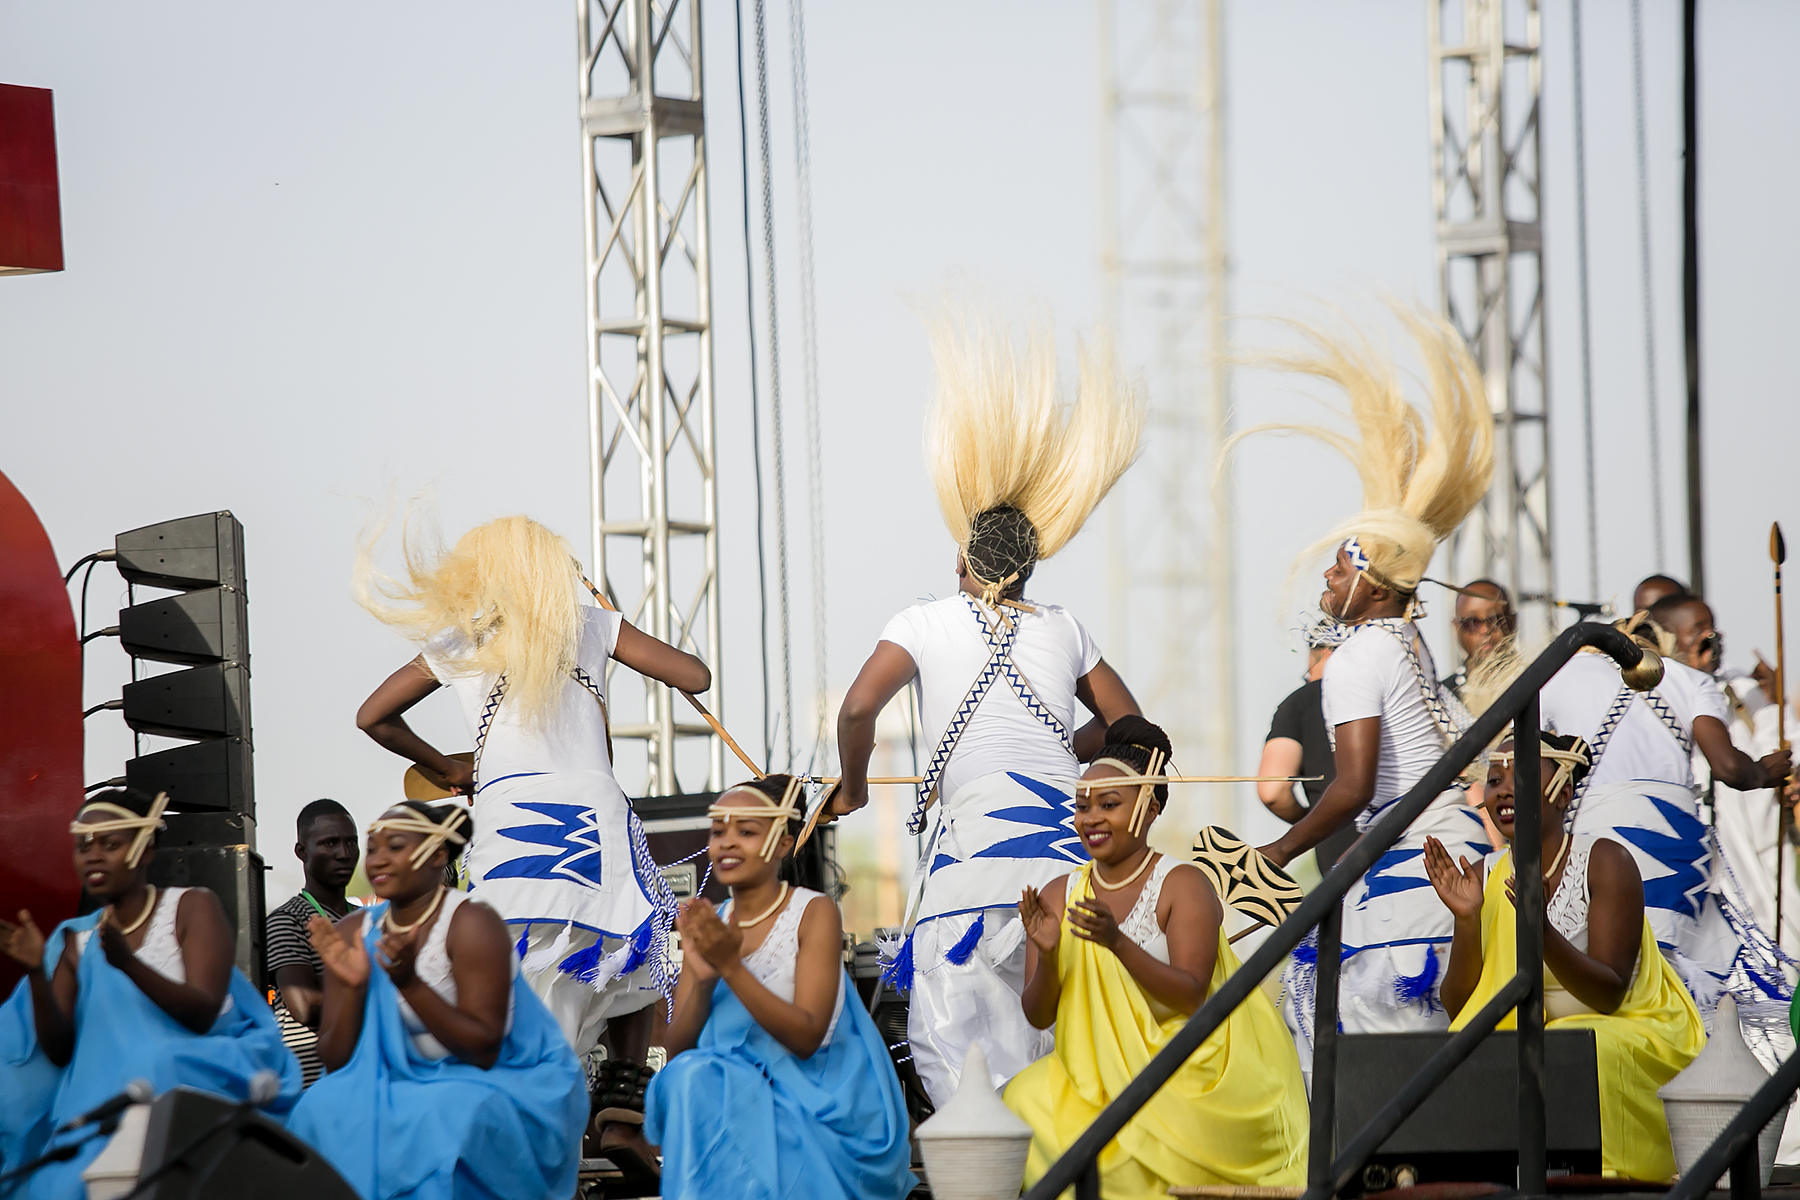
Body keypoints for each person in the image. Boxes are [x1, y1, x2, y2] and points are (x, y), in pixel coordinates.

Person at [833, 310, 1145, 1105]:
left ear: (959, 558)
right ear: (1033, 570)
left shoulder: (924, 620)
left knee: (962, 1069)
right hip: (1070, 871)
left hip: (973, 873)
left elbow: (858, 707)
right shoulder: (1064, 628)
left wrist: (857, 785)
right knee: (1070, 1069)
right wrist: (1069, 748)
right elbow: (1131, 731)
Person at [1222, 308, 1496, 1057]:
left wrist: (1273, 857)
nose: (1326, 575)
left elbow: (1350, 787)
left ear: (1374, 587)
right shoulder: (1403, 641)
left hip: (1423, 863)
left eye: (1340, 567)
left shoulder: (1355, 657)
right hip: (1449, 854)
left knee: (1382, 1038)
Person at [353, 515, 711, 1077]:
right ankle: (623, 1098)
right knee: (626, 947)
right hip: (593, 814)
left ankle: (531, 1079)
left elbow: (372, 716)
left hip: (511, 819)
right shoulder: (589, 625)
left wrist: (445, 765)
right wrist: (602, 614)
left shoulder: (461, 641)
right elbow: (695, 676)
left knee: (515, 958)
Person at [1005, 718, 1309, 1198]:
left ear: (1149, 809)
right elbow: (1039, 1015)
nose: (1090, 819)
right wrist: (1046, 954)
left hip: (1182, 1066)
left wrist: (1117, 943)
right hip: (1090, 1075)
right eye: (1082, 806)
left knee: (1124, 1137)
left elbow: (1192, 997)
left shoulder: (1183, 884)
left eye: (1109, 805)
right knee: (1022, 1099)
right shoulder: (1059, 892)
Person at [1425, 732, 1704, 1182]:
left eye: (1521, 777)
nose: (1504, 790)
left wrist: (1542, 934)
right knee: (1467, 1046)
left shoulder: (1604, 859)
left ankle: (1597, 1176)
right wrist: (1468, 919)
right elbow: (1461, 1007)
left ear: (1564, 793)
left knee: (1572, 1044)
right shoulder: (1485, 874)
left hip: (1628, 1029)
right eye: (1495, 779)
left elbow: (1608, 994)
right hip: (1541, 1037)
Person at [0, 788, 300, 1198]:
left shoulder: (193, 906)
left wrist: (130, 965)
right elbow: (59, 1051)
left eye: (109, 844)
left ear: (143, 850)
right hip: (102, 1100)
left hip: (187, 1079)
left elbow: (204, 1012)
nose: (93, 856)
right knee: (59, 1186)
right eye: (83, 845)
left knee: (162, 1071)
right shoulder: (76, 940)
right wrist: (37, 971)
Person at [289, 801, 588, 1200]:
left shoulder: (471, 922)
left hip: (502, 1078)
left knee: (443, 1113)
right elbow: (335, 1058)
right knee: (317, 1106)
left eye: (395, 847)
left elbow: (483, 1049)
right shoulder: (351, 932)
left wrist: (409, 982)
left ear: (438, 855)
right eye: (374, 847)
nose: (378, 860)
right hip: (399, 1080)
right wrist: (356, 988)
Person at [646, 778, 915, 1200]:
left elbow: (807, 1038)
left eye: (747, 832)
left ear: (784, 844)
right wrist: (702, 978)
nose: (728, 844)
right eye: (719, 833)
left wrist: (732, 966)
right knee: (686, 1077)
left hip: (814, 1100)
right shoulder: (712, 919)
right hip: (732, 1094)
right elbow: (680, 1051)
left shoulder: (814, 911)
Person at [1537, 602, 1791, 1018]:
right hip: (1675, 848)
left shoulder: (1562, 673)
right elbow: (1729, 768)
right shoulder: (1689, 679)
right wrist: (1764, 770)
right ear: (1661, 651)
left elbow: (1517, 755)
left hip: (1596, 844)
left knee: (1600, 976)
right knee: (1675, 979)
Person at [268, 798, 360, 1086]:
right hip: (316, 1084)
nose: (344, 853)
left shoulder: (367, 919)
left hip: (363, 1075)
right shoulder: (288, 919)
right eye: (330, 843)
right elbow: (305, 1005)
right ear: (301, 851)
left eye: (351, 842)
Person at [1256, 624, 1351, 872]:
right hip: (1423, 852)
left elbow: (1272, 790)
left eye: (1309, 667)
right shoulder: (1403, 693)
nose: (1308, 676)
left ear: (1326, 653)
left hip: (1340, 860)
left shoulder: (1302, 701)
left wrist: (1313, 824)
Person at [1441, 579, 1516, 704]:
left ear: (1512, 621)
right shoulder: (1443, 697)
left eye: (1496, 620)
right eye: (1472, 622)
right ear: (1456, 627)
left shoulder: (1538, 683)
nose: (1485, 630)